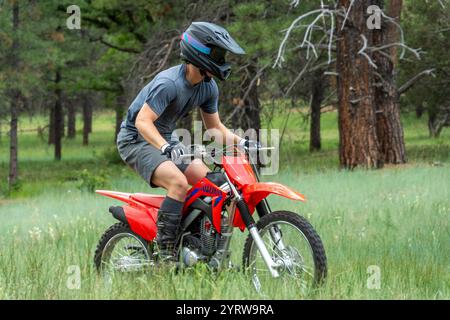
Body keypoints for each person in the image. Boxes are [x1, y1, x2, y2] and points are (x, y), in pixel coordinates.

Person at [116, 21, 258, 262]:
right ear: (199, 53)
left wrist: (243, 142)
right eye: (217, 54)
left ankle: (195, 246)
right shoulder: (169, 83)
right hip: (136, 140)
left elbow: (215, 128)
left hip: (166, 139)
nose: (222, 60)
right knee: (179, 184)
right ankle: (166, 252)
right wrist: (165, 147)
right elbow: (142, 122)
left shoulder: (208, 87)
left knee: (213, 185)